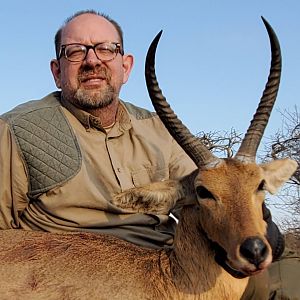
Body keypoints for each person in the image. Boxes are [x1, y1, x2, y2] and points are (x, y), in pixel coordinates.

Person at [0, 9, 296, 299]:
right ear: (56, 71)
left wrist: (255, 216)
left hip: (163, 262)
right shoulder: (18, 129)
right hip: (72, 273)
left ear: (126, 66)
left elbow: (206, 190)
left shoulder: (158, 127)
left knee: (269, 280)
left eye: (106, 49)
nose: (92, 60)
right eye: (75, 52)